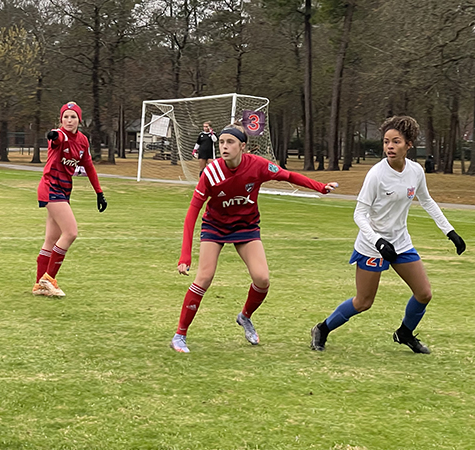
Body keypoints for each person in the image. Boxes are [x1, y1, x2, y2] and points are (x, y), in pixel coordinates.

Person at [170, 122, 338, 353]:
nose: (224, 147)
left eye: (230, 142)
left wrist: (320, 187)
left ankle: (245, 316)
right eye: (221, 142)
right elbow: (192, 213)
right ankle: (180, 335)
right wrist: (185, 256)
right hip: (215, 227)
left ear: (243, 146)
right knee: (204, 278)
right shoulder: (211, 172)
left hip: (246, 227)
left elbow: (288, 176)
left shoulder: (258, 166)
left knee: (262, 279)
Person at [310, 116, 466, 354]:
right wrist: (378, 241)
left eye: (396, 142)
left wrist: (450, 231)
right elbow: (359, 214)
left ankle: (404, 333)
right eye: (386, 142)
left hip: (401, 243)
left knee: (424, 293)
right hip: (372, 246)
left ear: (409, 144)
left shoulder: (415, 171)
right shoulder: (376, 174)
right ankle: (322, 328)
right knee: (363, 302)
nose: (389, 147)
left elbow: (427, 201)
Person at [34, 102, 107, 297]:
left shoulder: (82, 140)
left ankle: (39, 285)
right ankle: (48, 281)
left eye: (73, 117)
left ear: (79, 120)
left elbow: (89, 167)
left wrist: (99, 193)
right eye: (65, 116)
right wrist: (53, 136)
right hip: (51, 188)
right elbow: (56, 139)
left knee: (51, 239)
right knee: (71, 233)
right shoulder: (60, 135)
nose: (69, 120)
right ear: (61, 119)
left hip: (64, 191)